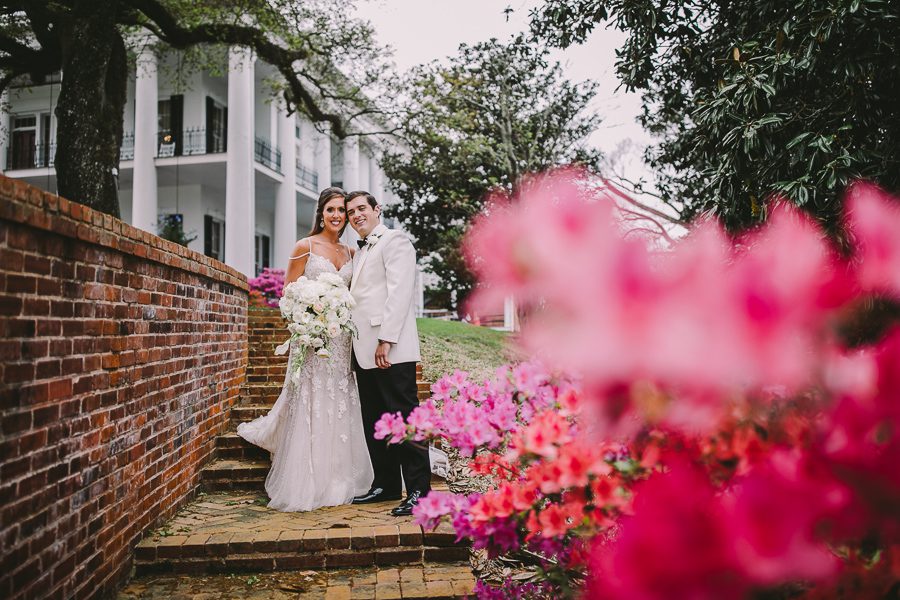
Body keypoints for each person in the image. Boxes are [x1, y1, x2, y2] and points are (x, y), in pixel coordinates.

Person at [236, 187, 374, 511]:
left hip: (341, 341)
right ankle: (310, 477)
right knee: (313, 399)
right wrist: (308, 318)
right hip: (312, 340)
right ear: (321, 213)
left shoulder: (351, 252)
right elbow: (287, 295)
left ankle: (341, 474)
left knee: (340, 400)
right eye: (331, 210)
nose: (337, 216)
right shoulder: (305, 247)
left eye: (341, 211)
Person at [345, 190, 430, 516]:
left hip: (390, 349)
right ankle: (386, 484)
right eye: (351, 212)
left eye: (361, 208)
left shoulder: (395, 241)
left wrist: (386, 339)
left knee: (404, 419)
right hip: (363, 350)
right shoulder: (360, 251)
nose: (356, 215)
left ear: (376, 209)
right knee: (376, 420)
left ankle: (420, 491)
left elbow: (399, 293)